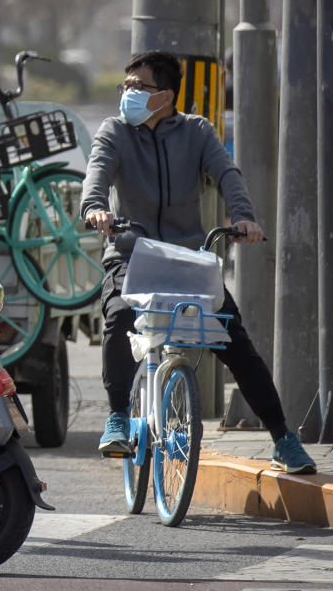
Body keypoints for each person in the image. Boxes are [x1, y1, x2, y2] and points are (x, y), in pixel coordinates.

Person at [80, 49, 316, 475]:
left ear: (165, 95)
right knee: (117, 318)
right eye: (126, 86)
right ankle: (117, 418)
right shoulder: (114, 131)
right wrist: (95, 207)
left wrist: (242, 217)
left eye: (138, 87)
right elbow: (96, 173)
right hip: (131, 255)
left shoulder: (197, 131)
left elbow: (227, 173)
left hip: (188, 258)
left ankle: (283, 437)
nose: (127, 94)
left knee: (235, 342)